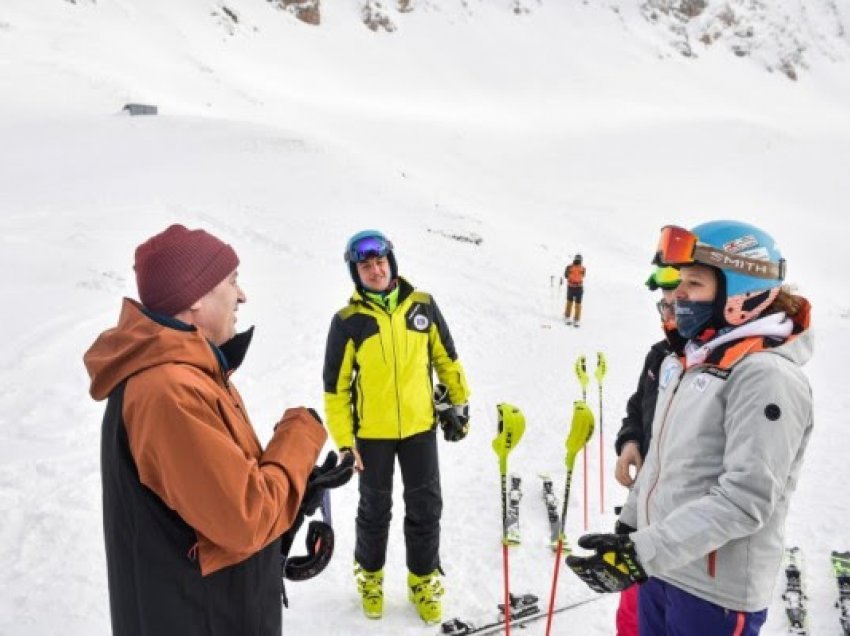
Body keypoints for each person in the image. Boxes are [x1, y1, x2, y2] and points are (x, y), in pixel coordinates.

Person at [83, 224, 343, 636]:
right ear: (195, 298)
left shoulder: (191, 375)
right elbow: (246, 516)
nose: (242, 295)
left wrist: (298, 487)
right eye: (232, 281)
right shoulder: (167, 390)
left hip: (219, 612)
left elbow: (216, 507)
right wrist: (300, 434)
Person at [567, 220, 813, 636]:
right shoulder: (689, 362)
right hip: (660, 566)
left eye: (694, 284)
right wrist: (630, 528)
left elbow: (745, 500)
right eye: (678, 283)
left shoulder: (765, 377)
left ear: (741, 293)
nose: (678, 295)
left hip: (713, 592)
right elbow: (662, 464)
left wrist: (641, 552)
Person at [322, 229, 471, 624]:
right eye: (365, 265)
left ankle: (423, 581)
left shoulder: (422, 305)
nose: (375, 270)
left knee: (425, 507)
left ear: (392, 262)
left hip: (420, 429)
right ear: (356, 273)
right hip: (373, 435)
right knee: (375, 509)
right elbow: (335, 390)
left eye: (380, 261)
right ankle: (370, 577)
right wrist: (344, 442)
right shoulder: (348, 322)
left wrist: (459, 404)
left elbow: (446, 358)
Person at [612, 265, 684, 636]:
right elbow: (638, 407)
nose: (669, 317)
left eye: (678, 306)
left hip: (687, 531)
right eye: (664, 307)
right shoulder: (660, 356)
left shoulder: (714, 368)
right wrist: (630, 443)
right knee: (632, 616)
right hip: (647, 510)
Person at [564, 254, 586, 326]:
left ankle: (567, 316)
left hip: (571, 287)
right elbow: (583, 276)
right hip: (579, 287)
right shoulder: (583, 268)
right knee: (578, 304)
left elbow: (566, 276)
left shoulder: (569, 267)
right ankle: (576, 319)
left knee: (569, 302)